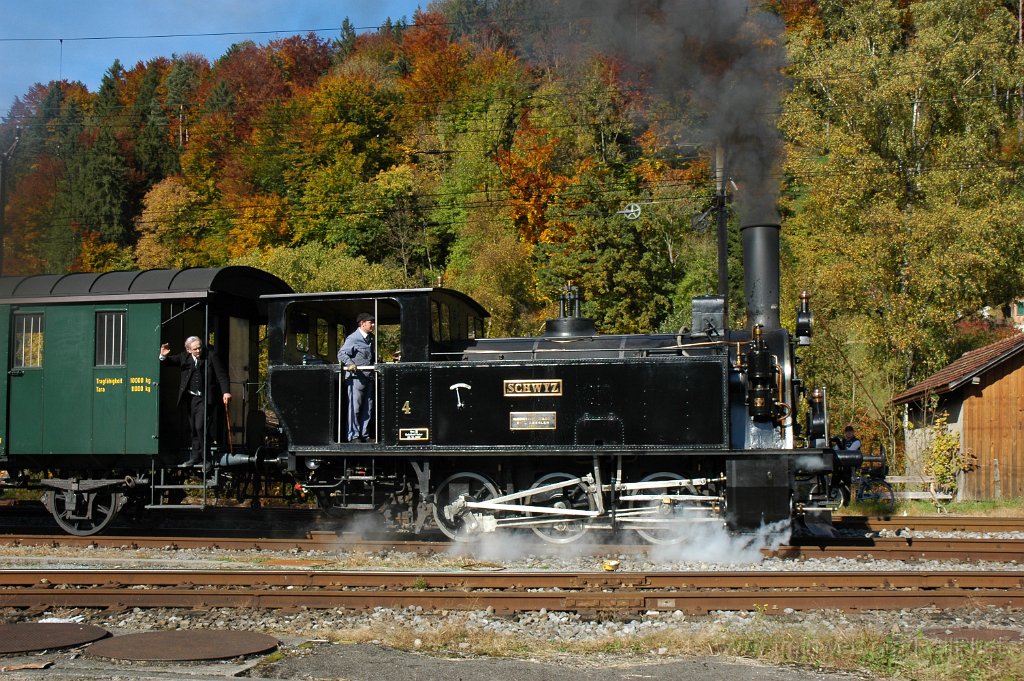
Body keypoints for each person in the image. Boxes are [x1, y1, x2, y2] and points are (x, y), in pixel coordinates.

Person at [159, 336, 231, 467]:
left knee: (200, 426)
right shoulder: (184, 357)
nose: (198, 351)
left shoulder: (211, 356)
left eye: (200, 348)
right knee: (193, 428)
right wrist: (163, 356)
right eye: (195, 349)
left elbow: (222, 375)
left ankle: (207, 459)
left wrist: (226, 391)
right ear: (188, 349)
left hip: (205, 398)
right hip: (191, 399)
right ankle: (196, 457)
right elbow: (169, 362)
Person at [338, 313, 376, 442]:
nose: (373, 325)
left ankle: (364, 435)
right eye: (371, 322)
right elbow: (342, 353)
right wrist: (350, 364)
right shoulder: (353, 338)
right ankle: (353, 436)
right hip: (355, 379)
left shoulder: (371, 338)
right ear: (362, 323)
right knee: (355, 408)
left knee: (368, 408)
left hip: (368, 377)